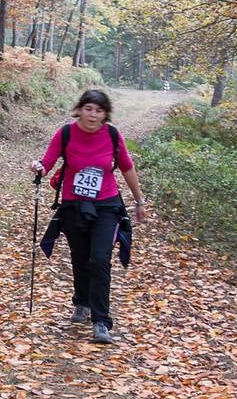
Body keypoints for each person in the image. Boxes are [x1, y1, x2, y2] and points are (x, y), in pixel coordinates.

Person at [30, 89, 150, 344]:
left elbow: (127, 167)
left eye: (99, 110)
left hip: (106, 205)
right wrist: (39, 167)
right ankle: (82, 301)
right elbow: (48, 160)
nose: (93, 115)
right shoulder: (66, 133)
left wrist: (139, 201)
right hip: (75, 205)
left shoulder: (113, 135)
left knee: (100, 259)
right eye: (88, 109)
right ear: (80, 109)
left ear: (105, 114)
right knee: (81, 257)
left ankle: (101, 322)